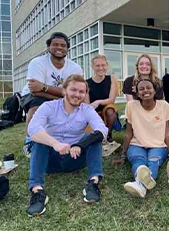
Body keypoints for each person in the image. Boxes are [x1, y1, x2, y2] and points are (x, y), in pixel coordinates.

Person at [26, 74, 108, 217]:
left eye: (82, 92)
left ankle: (93, 183)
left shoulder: (86, 110)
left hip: (74, 158)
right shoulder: (48, 106)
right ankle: (37, 191)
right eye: (73, 90)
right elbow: (32, 129)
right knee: (39, 140)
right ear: (64, 91)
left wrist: (80, 145)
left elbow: (103, 131)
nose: (77, 95)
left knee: (93, 138)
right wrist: (55, 143)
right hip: (50, 160)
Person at [21, 32, 83, 156]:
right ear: (49, 47)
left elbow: (75, 92)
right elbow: (34, 89)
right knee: (36, 109)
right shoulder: (38, 62)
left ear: (67, 48)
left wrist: (44, 87)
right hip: (33, 96)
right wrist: (63, 95)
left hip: (47, 94)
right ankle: (29, 142)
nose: (59, 48)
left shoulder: (75, 68)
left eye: (63, 45)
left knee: (74, 108)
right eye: (55, 44)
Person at [112, 80, 169, 198]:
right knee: (138, 162)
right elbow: (128, 133)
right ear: (137, 93)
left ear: (154, 91)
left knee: (153, 162)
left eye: (148, 88)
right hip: (137, 144)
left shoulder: (164, 105)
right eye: (141, 89)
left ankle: (139, 185)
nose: (145, 90)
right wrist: (123, 155)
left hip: (158, 145)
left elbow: (167, 132)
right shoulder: (131, 106)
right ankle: (142, 184)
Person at [85, 54, 119, 142]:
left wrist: (98, 102)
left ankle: (108, 133)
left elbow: (112, 100)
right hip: (93, 111)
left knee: (110, 110)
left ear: (107, 66)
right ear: (92, 67)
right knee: (89, 138)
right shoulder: (86, 83)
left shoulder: (112, 79)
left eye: (103, 65)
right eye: (97, 65)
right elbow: (87, 105)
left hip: (107, 110)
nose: (101, 68)